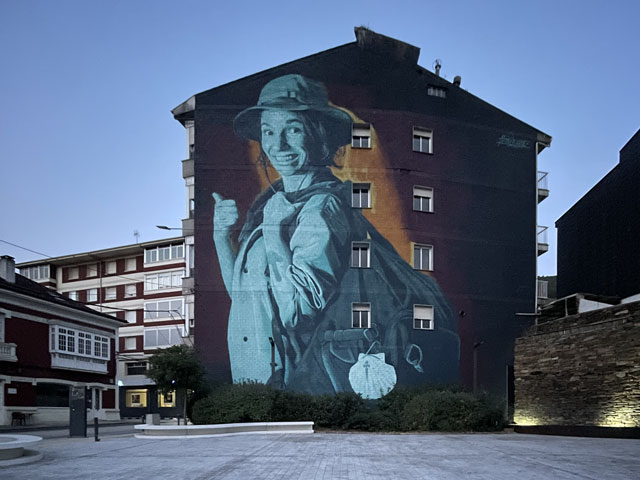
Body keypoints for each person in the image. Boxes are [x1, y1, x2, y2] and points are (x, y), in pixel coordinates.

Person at [212, 74, 459, 397]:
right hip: (256, 376)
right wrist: (221, 237)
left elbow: (296, 314)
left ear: (319, 133)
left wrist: (273, 233)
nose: (278, 145)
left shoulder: (320, 208)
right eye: (268, 131)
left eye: (293, 129)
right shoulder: (271, 204)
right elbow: (247, 298)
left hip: (291, 382)